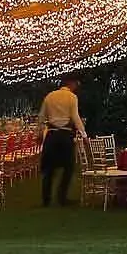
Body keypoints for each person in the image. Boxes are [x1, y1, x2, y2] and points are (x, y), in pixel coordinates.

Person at [37, 74, 87, 207]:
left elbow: (41, 117)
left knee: (49, 168)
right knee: (69, 167)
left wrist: (39, 134)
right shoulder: (72, 97)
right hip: (65, 135)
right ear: (71, 83)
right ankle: (62, 197)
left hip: (52, 135)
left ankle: (46, 199)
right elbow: (75, 117)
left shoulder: (49, 96)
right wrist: (84, 135)